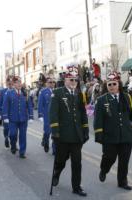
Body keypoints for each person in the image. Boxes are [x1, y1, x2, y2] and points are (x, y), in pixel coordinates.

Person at [94, 72, 132, 191]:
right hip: (109, 136)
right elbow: (98, 119)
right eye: (109, 84)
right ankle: (104, 169)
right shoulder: (101, 100)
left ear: (118, 84)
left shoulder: (127, 97)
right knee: (109, 157)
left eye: (114, 84)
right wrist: (99, 134)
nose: (111, 86)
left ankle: (122, 182)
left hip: (126, 135)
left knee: (124, 161)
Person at [49, 64, 89, 196]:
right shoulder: (58, 93)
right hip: (63, 135)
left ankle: (76, 187)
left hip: (77, 136)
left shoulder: (79, 94)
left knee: (77, 163)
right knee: (61, 160)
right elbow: (53, 113)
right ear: (65, 80)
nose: (73, 82)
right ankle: (57, 172)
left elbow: (83, 113)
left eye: (75, 80)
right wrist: (55, 131)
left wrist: (85, 129)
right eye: (71, 79)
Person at [2, 76, 34, 158]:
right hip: (13, 119)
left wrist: (31, 116)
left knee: (23, 136)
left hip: (23, 118)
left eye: (20, 82)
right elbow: (5, 105)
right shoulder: (9, 93)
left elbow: (29, 105)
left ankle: (22, 152)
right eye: (17, 82)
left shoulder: (25, 93)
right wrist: (5, 117)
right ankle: (13, 145)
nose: (19, 84)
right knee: (13, 134)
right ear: (13, 84)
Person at [38, 75, 55, 153]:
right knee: (47, 132)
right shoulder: (43, 92)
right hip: (47, 115)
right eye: (50, 82)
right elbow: (40, 104)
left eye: (53, 82)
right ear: (46, 83)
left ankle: (55, 150)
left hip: (55, 115)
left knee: (55, 133)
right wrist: (40, 115)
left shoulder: (57, 91)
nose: (52, 84)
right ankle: (46, 143)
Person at [0, 76, 14, 148]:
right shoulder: (3, 92)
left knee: (13, 130)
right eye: (8, 82)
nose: (10, 84)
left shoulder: (15, 91)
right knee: (6, 128)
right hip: (5, 114)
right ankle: (6, 137)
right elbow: (0, 103)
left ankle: (13, 144)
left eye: (11, 83)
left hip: (14, 114)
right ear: (6, 83)